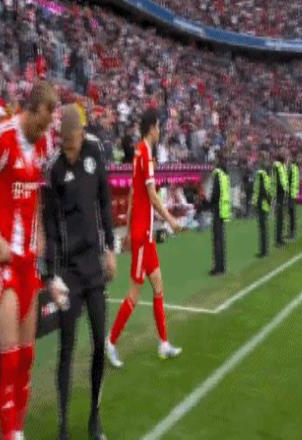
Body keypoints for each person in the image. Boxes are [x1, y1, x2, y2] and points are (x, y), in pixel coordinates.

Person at [0, 81, 58, 440]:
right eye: (41, 123)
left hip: (29, 264)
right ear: (30, 110)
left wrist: (40, 232)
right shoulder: (4, 136)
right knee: (8, 359)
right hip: (5, 263)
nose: (43, 131)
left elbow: (35, 191)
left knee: (26, 357)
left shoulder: (42, 143)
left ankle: (17, 430)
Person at [43, 105, 116, 440]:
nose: (68, 150)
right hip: (69, 274)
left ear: (80, 135)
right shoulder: (54, 168)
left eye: (72, 143)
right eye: (64, 144)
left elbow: (105, 201)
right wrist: (52, 274)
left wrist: (110, 247)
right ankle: (62, 426)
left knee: (99, 343)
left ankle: (95, 417)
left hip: (94, 269)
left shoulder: (94, 152)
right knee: (67, 348)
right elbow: (50, 227)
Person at [106, 109, 182, 369]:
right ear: (151, 128)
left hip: (143, 234)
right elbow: (151, 195)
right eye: (158, 126)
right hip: (142, 235)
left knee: (158, 285)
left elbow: (132, 192)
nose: (160, 131)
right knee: (134, 294)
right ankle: (111, 341)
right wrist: (170, 219)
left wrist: (128, 230)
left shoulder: (140, 152)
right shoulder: (145, 154)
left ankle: (164, 343)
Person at [208, 151, 231, 276]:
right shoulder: (225, 174)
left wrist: (209, 203)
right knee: (221, 239)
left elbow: (215, 193)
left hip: (217, 209)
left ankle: (217, 268)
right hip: (224, 209)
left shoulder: (217, 174)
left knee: (217, 240)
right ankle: (222, 266)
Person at [252, 152, 271, 258]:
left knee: (262, 228)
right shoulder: (267, 173)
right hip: (265, 203)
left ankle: (263, 251)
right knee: (264, 228)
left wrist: (260, 201)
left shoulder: (261, 173)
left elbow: (262, 189)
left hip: (261, 203)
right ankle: (265, 250)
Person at [271, 153, 287, 246]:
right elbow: (278, 182)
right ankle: (278, 240)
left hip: (281, 194)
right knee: (279, 217)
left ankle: (280, 238)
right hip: (278, 194)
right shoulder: (277, 166)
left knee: (281, 217)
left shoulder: (282, 166)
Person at [287, 152, 300, 240]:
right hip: (293, 193)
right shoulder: (295, 167)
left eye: (289, 157)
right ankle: (292, 231)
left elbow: (288, 180)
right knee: (291, 213)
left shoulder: (292, 168)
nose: (288, 159)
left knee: (291, 213)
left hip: (291, 193)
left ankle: (292, 233)